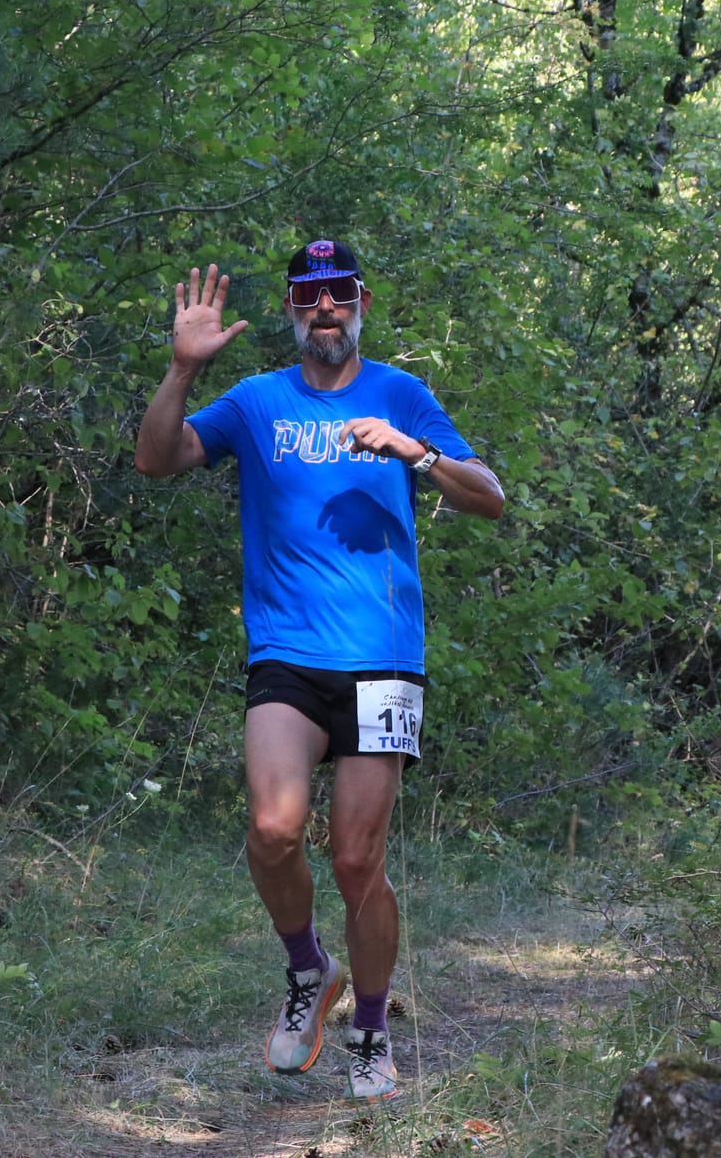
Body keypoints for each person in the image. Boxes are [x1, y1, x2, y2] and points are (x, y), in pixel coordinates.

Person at [134, 239, 504, 1101]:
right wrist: (181, 370)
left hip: (383, 661)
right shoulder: (259, 401)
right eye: (310, 295)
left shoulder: (400, 393)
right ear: (295, 308)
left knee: (355, 862)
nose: (325, 308)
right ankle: (310, 969)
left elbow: (489, 494)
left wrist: (414, 451)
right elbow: (158, 459)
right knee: (271, 828)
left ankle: (371, 1030)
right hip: (287, 655)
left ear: (362, 300)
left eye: (339, 292)